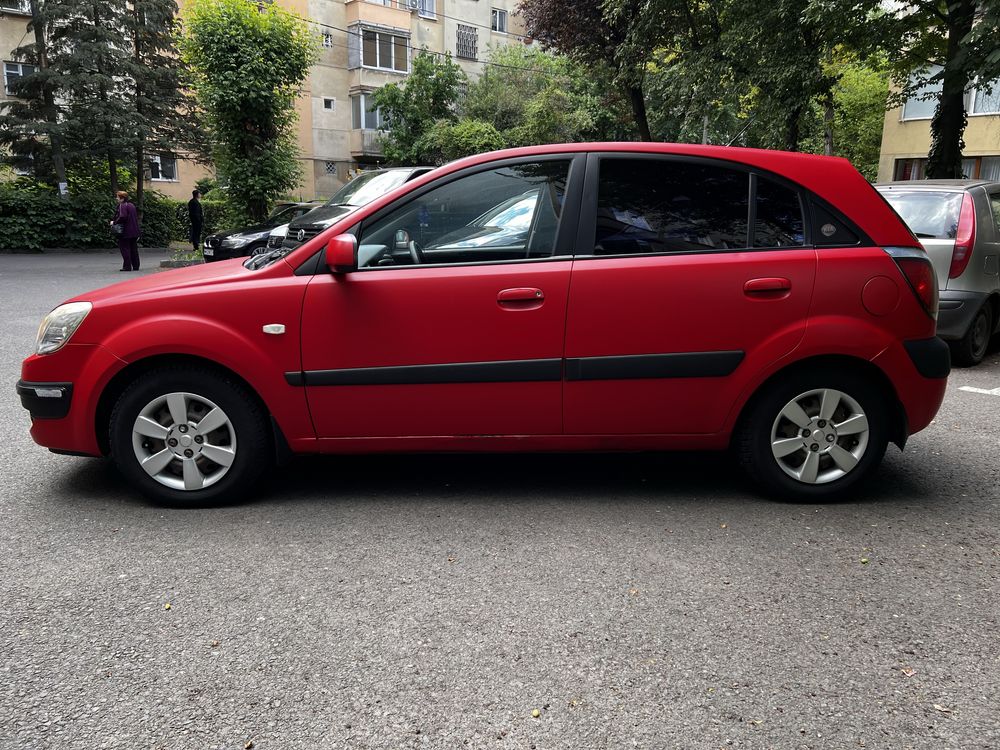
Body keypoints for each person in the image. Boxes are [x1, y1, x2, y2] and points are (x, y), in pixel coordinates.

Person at [110, 191, 140, 272]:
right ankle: (136, 266)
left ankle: (127, 267)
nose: (116, 198)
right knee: (133, 249)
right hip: (134, 231)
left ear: (122, 198)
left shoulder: (122, 205)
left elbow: (123, 217)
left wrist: (114, 222)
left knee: (125, 248)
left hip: (126, 231)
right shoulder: (132, 205)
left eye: (117, 197)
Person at [188, 189, 204, 253]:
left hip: (194, 220)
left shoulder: (191, 201)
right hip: (197, 221)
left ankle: (195, 245)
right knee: (196, 233)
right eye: (199, 193)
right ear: (197, 194)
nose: (200, 195)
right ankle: (196, 246)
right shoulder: (195, 203)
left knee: (195, 232)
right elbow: (196, 213)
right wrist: (200, 220)